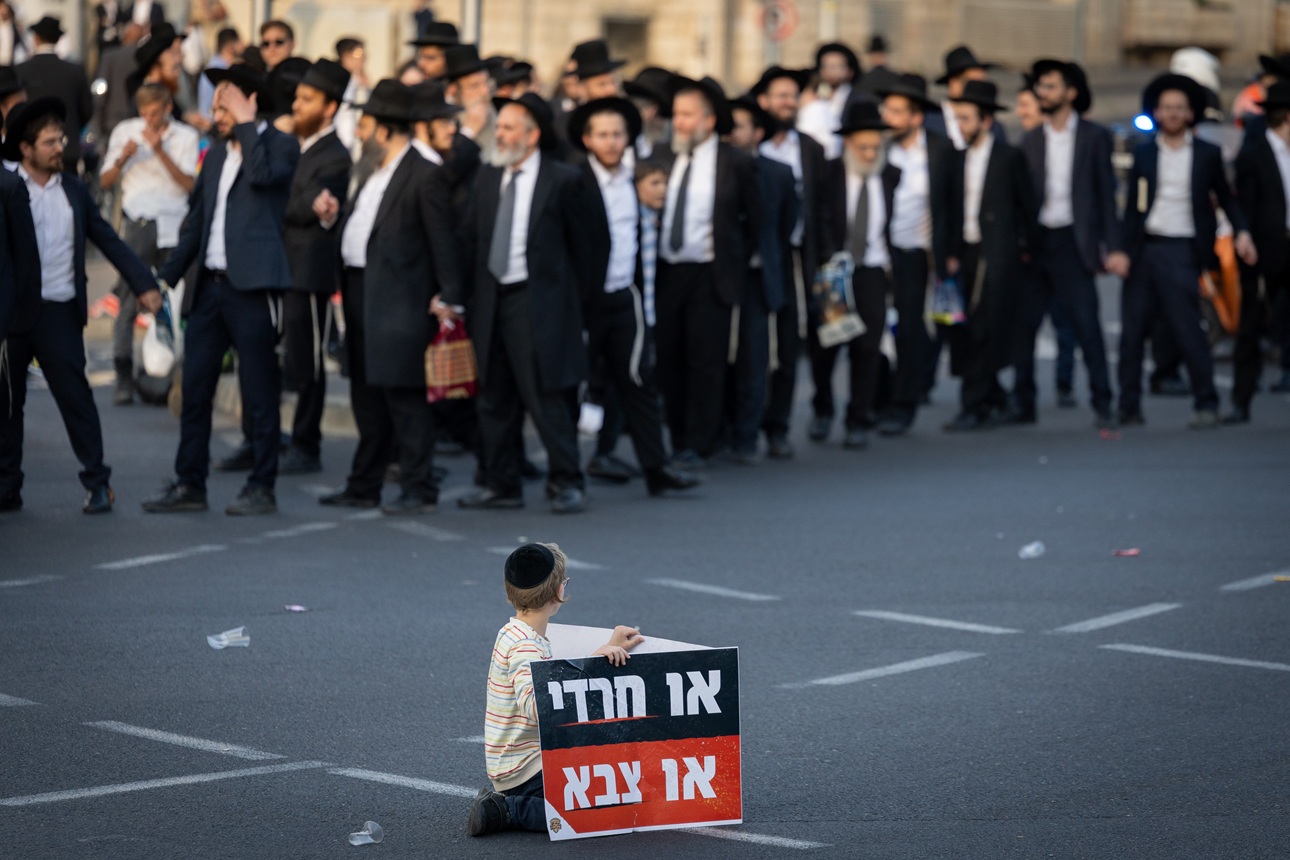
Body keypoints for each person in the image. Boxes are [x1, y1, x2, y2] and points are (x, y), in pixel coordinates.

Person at [142, 65, 300, 516]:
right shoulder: (212, 155)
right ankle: (190, 482)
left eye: (225, 102)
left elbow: (265, 176)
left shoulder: (279, 145)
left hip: (253, 289)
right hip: (208, 291)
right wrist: (165, 279)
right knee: (195, 389)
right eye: (214, 104)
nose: (216, 111)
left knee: (259, 391)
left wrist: (248, 124)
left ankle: (261, 486)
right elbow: (196, 223)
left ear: (250, 101)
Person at [0, 97, 161, 514]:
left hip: (59, 310)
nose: (60, 148)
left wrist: (142, 282)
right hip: (14, 314)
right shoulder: (6, 185)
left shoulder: (73, 189)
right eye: (50, 142)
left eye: (61, 139)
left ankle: (96, 481)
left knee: (76, 399)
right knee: (7, 404)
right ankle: (7, 487)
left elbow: (107, 238)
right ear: (25, 148)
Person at [440, 93, 594, 514]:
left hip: (538, 303)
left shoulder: (563, 179)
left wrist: (576, 305)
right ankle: (500, 483)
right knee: (493, 397)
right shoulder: (489, 178)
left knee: (546, 396)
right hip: (492, 300)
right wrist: (454, 294)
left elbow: (590, 248)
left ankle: (567, 480)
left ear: (533, 135)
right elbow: (469, 240)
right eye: (499, 126)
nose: (500, 134)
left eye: (508, 127)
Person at [313, 79, 460, 514]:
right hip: (361, 292)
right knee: (366, 393)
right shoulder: (371, 167)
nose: (359, 131)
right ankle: (364, 483)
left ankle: (419, 487)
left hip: (403, 299)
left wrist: (449, 295)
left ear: (384, 128)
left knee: (405, 399)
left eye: (365, 123)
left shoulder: (425, 172)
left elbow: (444, 243)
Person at [569, 96, 700, 496]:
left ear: (628, 138)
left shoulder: (633, 179)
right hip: (582, 303)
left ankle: (657, 469)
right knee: (572, 388)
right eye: (602, 135)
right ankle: (567, 476)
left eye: (617, 134)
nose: (610, 142)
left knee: (639, 382)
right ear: (588, 139)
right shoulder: (572, 181)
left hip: (624, 298)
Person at [466, 542, 643, 837]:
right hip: (524, 767)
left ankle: (518, 801)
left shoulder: (517, 632)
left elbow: (551, 674)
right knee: (606, 806)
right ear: (559, 591)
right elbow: (538, 706)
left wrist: (605, 650)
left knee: (613, 783)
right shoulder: (526, 647)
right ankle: (508, 810)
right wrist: (595, 666)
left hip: (519, 759)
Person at [1118, 74, 1254, 430]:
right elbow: (1134, 207)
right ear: (1157, 113)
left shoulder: (1207, 155)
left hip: (1182, 249)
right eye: (1166, 108)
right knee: (1132, 332)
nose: (1173, 114)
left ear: (1190, 113)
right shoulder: (1145, 153)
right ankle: (1128, 405)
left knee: (1188, 329)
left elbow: (1226, 198)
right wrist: (1120, 250)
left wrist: (1241, 231)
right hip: (1145, 247)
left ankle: (1206, 402)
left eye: (1179, 108)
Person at [1010, 59, 1123, 429]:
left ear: (1070, 92)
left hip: (1075, 243)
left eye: (1051, 86)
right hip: (1039, 242)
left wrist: (1113, 246)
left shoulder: (1094, 137)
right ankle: (1023, 405)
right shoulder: (1029, 140)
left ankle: (1104, 403)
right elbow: (1021, 200)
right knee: (1024, 327)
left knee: (1087, 325)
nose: (1043, 93)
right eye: (1040, 87)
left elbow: (1106, 195)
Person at [656, 75, 760, 468]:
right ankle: (678, 436)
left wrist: (731, 258)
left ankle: (700, 443)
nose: (679, 122)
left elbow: (755, 221)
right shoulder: (664, 154)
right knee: (670, 359)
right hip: (669, 272)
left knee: (706, 362)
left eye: (687, 115)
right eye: (677, 115)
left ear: (709, 121)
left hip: (710, 275)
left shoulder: (736, 163)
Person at [943, 81, 1036, 431]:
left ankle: (974, 403)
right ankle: (994, 396)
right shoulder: (955, 159)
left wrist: (1025, 251)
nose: (961, 126)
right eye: (958, 118)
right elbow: (946, 211)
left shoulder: (1008, 157)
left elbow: (1027, 207)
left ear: (985, 121)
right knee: (960, 326)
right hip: (962, 254)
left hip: (995, 254)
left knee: (983, 327)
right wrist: (947, 253)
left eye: (967, 119)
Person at [99, 82, 198, 405]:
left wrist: (159, 150)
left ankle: (173, 375)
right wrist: (123, 159)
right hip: (138, 221)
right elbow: (105, 181)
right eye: (143, 113)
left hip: (174, 223)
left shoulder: (184, 136)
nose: (148, 120)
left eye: (154, 113)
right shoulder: (126, 131)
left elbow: (188, 185)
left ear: (168, 107)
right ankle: (124, 375)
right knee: (129, 298)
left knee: (175, 303)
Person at [275, 59, 352, 474]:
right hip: (281, 267)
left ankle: (307, 444)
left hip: (309, 272)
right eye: (297, 97)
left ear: (330, 107)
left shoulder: (335, 155)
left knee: (310, 364)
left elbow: (296, 203)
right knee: (284, 359)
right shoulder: (292, 143)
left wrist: (301, 203)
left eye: (308, 100)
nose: (297, 105)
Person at [873, 73, 961, 437]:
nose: (888, 117)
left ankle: (904, 403)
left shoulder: (941, 150)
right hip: (877, 250)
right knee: (872, 329)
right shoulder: (875, 146)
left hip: (916, 252)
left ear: (916, 117)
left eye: (897, 111)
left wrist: (950, 250)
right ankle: (874, 400)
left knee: (910, 329)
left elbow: (953, 203)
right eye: (886, 109)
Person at [753, 66, 825, 457]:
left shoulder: (811, 149)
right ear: (763, 101)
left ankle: (778, 426)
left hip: (798, 263)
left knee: (789, 346)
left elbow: (823, 209)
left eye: (792, 96)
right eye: (779, 95)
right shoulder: (752, 147)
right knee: (750, 348)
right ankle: (741, 423)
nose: (787, 102)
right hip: (757, 262)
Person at [726, 95, 795, 463]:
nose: (732, 133)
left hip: (760, 278)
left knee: (758, 359)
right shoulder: (714, 170)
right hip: (719, 278)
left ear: (758, 132)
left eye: (739, 126)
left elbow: (783, 230)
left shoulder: (778, 174)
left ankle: (752, 435)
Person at [1230, 80, 1290, 422]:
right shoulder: (1254, 156)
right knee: (1251, 326)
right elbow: (1244, 204)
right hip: (1264, 251)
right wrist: (1244, 235)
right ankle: (1241, 400)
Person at [16, 16, 91, 173]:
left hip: (32, 152)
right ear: (57, 40)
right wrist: (72, 127)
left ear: (36, 39)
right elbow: (86, 110)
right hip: (67, 148)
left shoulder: (21, 71)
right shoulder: (75, 71)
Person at [925, 45, 1005, 149]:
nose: (980, 90)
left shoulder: (993, 127)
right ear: (954, 83)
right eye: (973, 84)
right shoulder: (927, 122)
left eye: (982, 84)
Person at [797, 42, 862, 158]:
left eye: (836, 67)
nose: (830, 71)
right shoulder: (813, 98)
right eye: (826, 66)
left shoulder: (859, 101)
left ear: (849, 71)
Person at [199, 27, 242, 127]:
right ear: (230, 46)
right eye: (239, 42)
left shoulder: (215, 67)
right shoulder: (218, 71)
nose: (242, 46)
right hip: (216, 127)